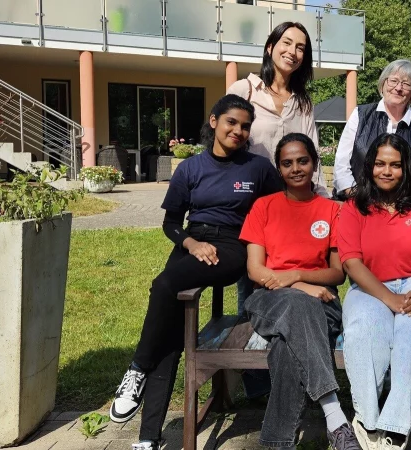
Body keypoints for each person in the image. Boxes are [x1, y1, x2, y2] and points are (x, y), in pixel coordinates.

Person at [108, 94, 281, 450]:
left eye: (245, 126)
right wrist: (190, 244)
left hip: (234, 247)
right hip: (192, 244)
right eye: (232, 122)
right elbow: (171, 223)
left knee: (164, 284)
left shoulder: (257, 168)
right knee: (170, 332)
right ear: (214, 121)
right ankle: (147, 438)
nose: (239, 130)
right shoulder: (190, 168)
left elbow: (279, 213)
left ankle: (137, 368)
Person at [239, 133, 359, 450]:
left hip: (324, 301)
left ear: (314, 163)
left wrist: (296, 274)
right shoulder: (263, 207)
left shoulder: (334, 210)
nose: (295, 168)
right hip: (269, 298)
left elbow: (337, 273)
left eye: (302, 160)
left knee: (286, 343)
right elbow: (255, 270)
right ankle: (335, 416)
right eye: (287, 163)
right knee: (297, 302)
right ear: (279, 169)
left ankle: (277, 442)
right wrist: (300, 284)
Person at [337, 133, 411, 450]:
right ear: (369, 166)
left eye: (395, 165)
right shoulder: (353, 207)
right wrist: (388, 299)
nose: (386, 171)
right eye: (380, 164)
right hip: (370, 286)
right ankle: (367, 421)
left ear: (407, 168)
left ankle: (393, 430)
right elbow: (351, 263)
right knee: (364, 328)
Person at [228, 21, 326, 396]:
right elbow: (227, 139)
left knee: (293, 283)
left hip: (293, 207)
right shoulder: (245, 89)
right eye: (286, 42)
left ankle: (294, 370)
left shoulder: (303, 103)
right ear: (270, 47)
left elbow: (312, 154)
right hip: (250, 205)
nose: (293, 51)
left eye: (301, 47)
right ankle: (253, 379)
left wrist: (323, 205)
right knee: (252, 287)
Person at [333, 59, 411, 198]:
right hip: (357, 204)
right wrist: (358, 197)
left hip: (403, 210)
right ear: (383, 83)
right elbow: (341, 165)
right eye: (393, 80)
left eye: (406, 84)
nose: (398, 88)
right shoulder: (360, 115)